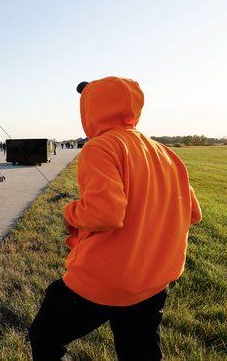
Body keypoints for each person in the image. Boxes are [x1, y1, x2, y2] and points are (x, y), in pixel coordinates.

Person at [29, 77, 202, 360]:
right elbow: (193, 213)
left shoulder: (100, 147)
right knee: (140, 352)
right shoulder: (164, 152)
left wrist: (70, 211)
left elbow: (105, 213)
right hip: (153, 281)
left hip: (105, 279)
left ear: (90, 110)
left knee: (44, 337)